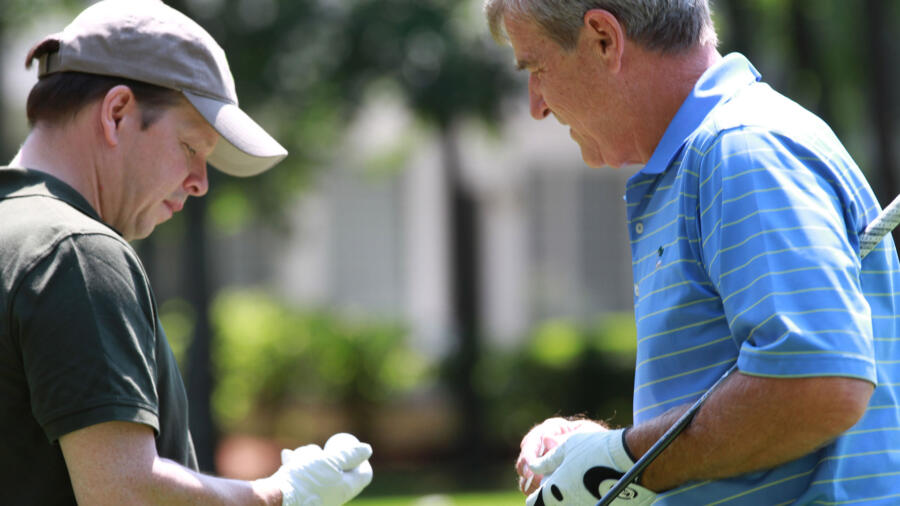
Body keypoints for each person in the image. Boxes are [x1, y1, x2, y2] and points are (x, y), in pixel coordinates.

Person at [484, 0, 900, 504]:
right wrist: (597, 451)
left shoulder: (742, 151)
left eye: (536, 68)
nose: (536, 104)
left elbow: (819, 387)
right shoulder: (712, 156)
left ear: (602, 39)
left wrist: (624, 463)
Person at [0, 1, 373, 505]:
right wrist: (279, 494)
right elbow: (122, 492)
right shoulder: (78, 254)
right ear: (117, 114)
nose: (200, 183)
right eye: (191, 147)